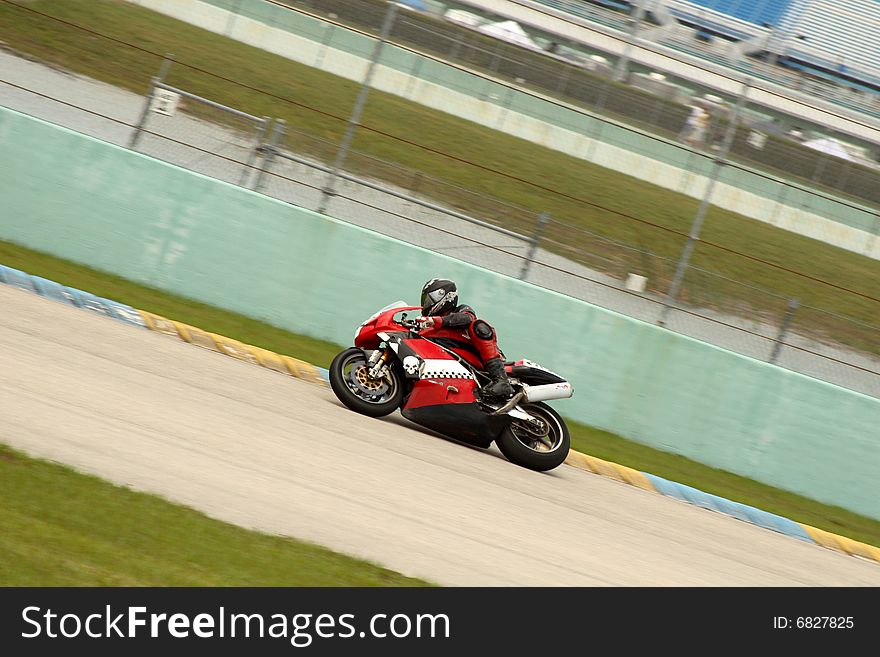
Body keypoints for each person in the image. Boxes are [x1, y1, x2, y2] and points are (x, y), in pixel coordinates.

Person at [414, 278, 514, 400]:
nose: (426, 304)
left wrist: (437, 321)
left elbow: (467, 319)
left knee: (478, 326)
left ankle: (501, 380)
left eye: (430, 300)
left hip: (482, 358)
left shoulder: (462, 310)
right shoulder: (431, 326)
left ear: (446, 297)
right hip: (453, 365)